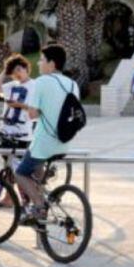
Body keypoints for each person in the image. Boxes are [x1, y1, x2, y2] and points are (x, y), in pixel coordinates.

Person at [15, 44, 79, 227]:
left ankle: (39, 206)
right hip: (64, 143)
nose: (38, 63)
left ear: (51, 64)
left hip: (43, 143)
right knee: (37, 172)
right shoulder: (73, 84)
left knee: (20, 173)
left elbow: (32, 114)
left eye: (42, 59)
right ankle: (41, 196)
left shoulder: (41, 82)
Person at [0, 53, 35, 206]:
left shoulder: (34, 85)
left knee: (18, 169)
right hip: (8, 132)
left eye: (20, 69)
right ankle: (9, 198)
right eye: (14, 71)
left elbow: (37, 109)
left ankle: (26, 199)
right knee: (8, 166)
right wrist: (4, 71)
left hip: (22, 133)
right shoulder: (11, 86)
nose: (18, 73)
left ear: (27, 68)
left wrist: (20, 105)